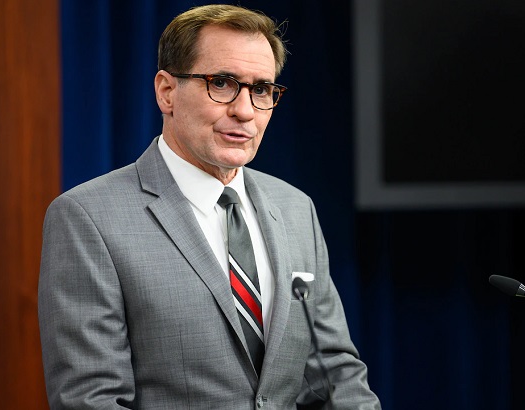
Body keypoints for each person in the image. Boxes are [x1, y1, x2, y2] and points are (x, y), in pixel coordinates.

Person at [38, 4, 380, 409]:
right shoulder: (88, 218)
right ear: (167, 91)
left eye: (261, 89)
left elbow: (335, 373)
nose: (245, 110)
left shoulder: (295, 208)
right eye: (222, 83)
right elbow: (91, 400)